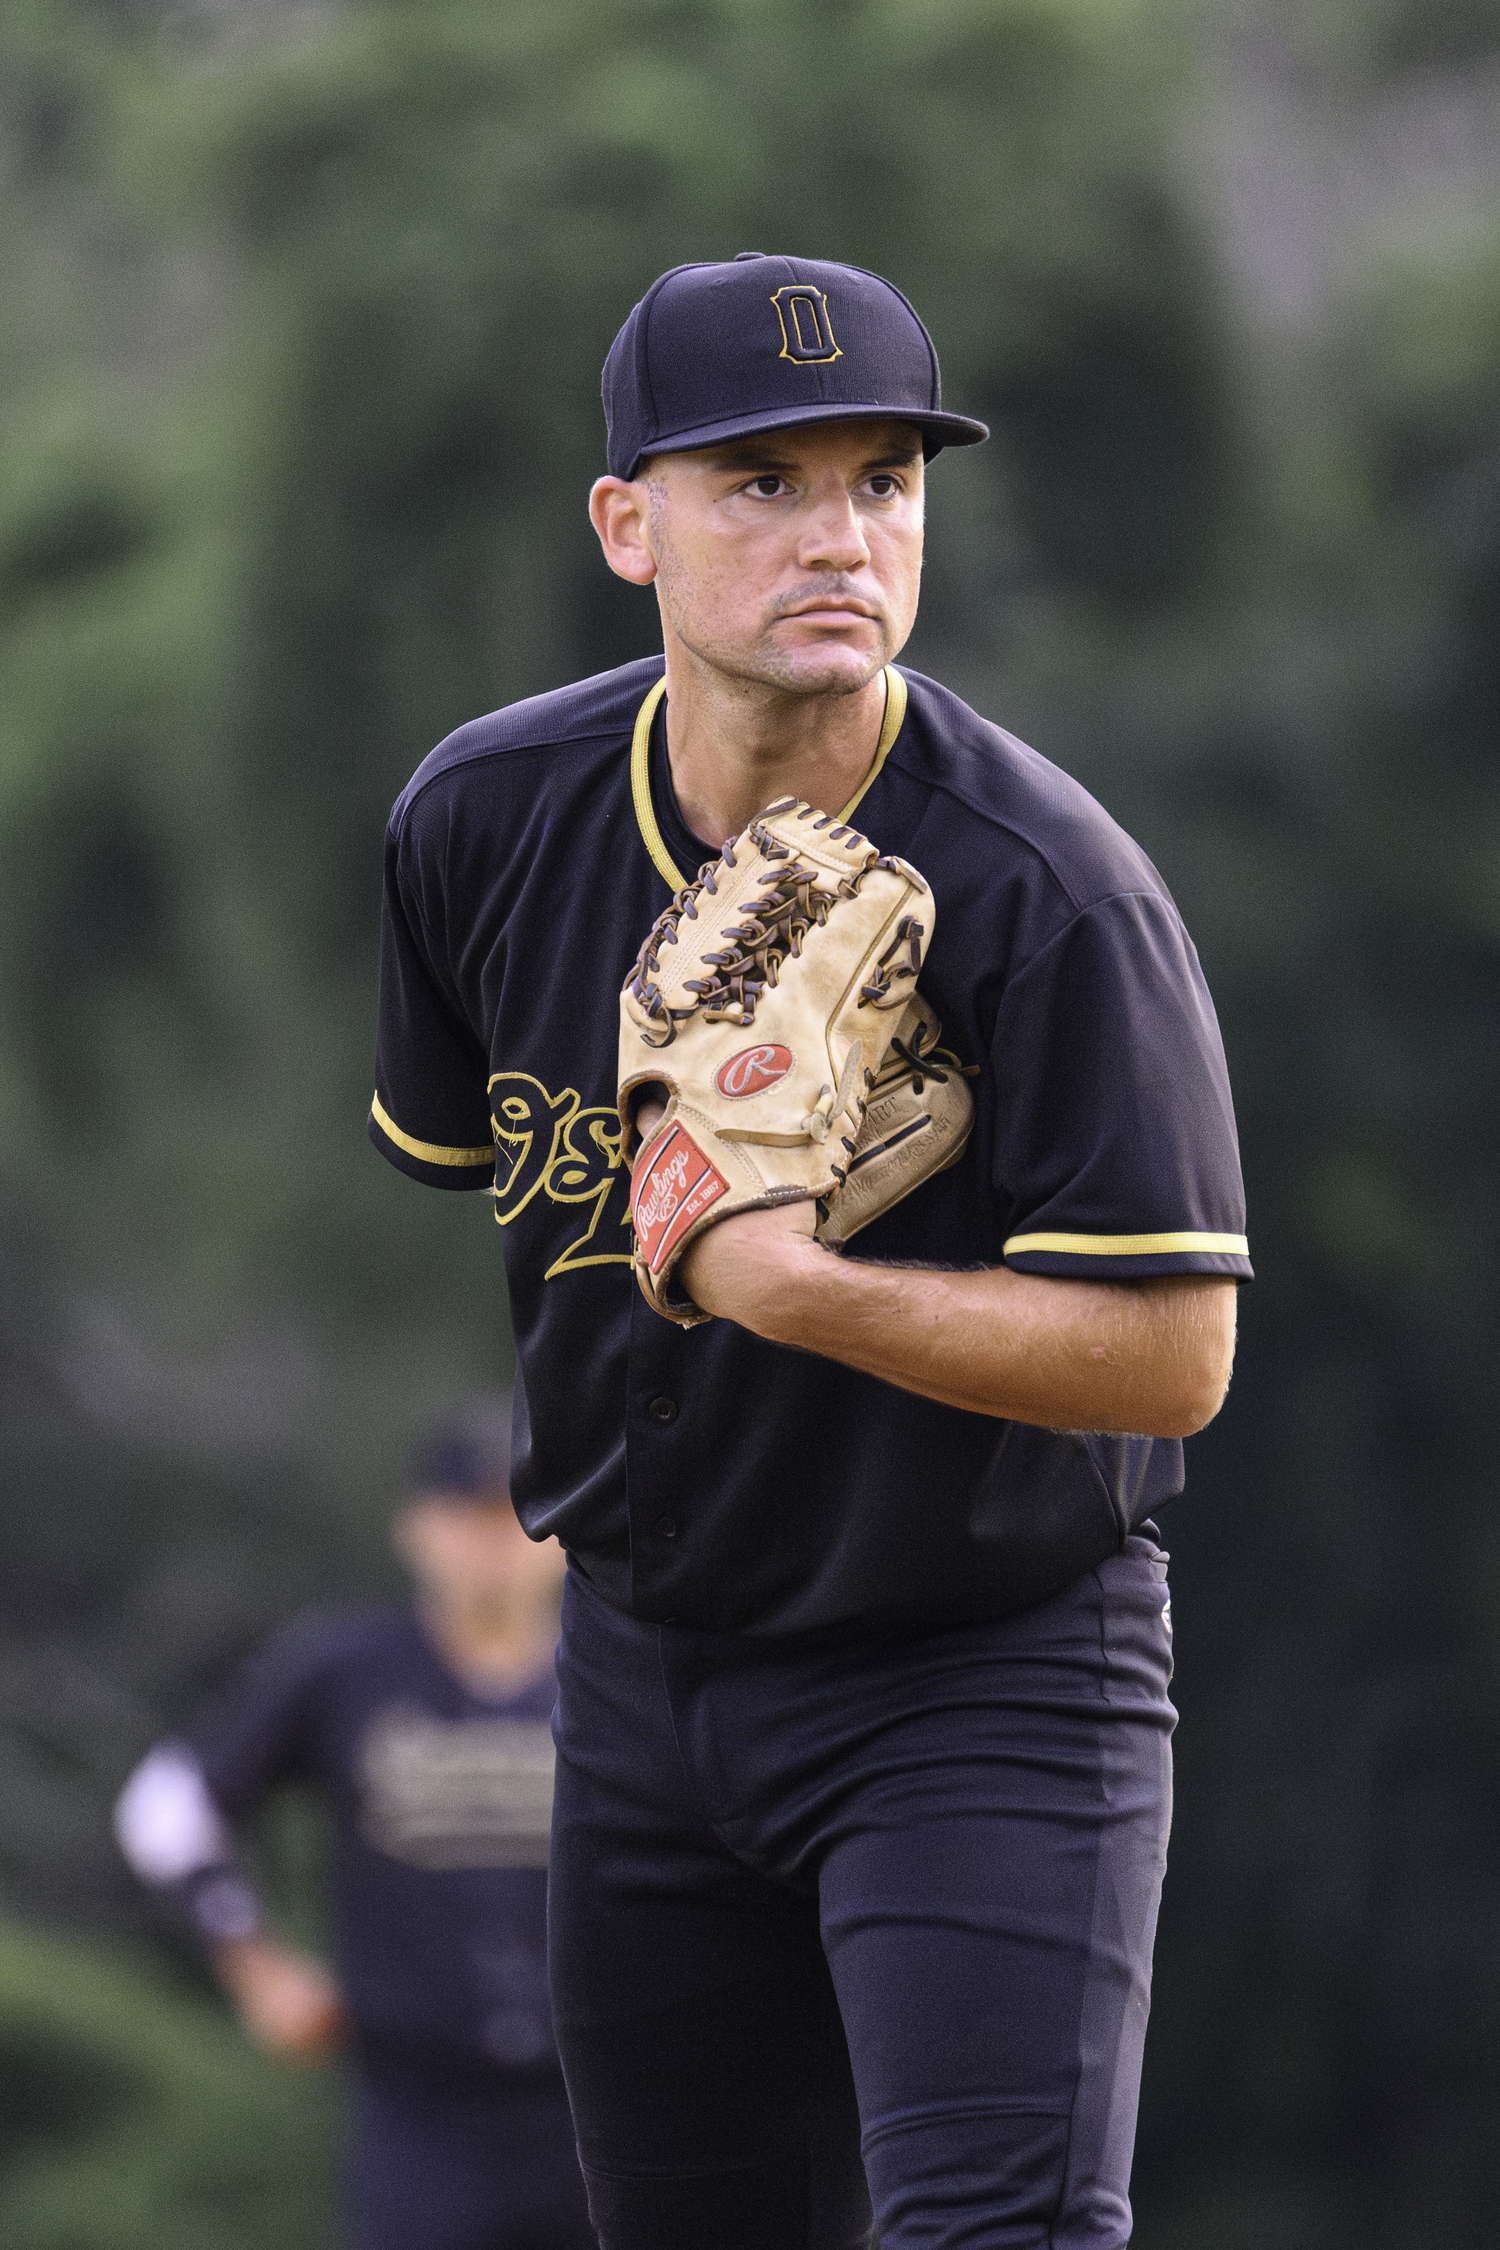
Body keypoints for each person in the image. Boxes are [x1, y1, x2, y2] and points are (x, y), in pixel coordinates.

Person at [366, 254, 1251, 2249]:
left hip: (982, 1673)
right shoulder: (484, 824)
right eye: (758, 481)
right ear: (627, 525)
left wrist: (806, 1290)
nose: (837, 536)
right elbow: (467, 1161)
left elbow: (1177, 1358)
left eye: (883, 481)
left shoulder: (1050, 892)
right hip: (642, 1676)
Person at [114, 1402, 594, 2250]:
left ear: (558, 1532)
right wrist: (253, 1961)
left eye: (515, 1514)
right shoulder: (348, 1671)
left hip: (605, 2106)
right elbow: (172, 1805)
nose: (491, 1541)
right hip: (420, 2115)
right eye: (467, 1514)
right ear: (415, 1528)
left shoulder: (611, 1682)